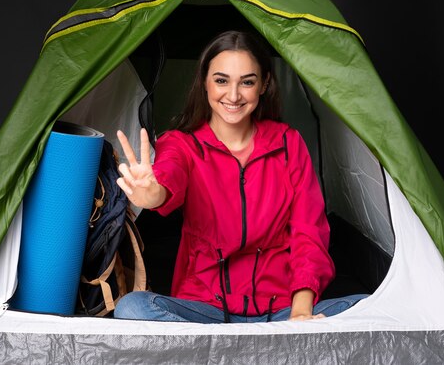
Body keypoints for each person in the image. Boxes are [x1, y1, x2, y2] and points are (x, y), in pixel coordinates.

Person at [113, 31, 365, 323]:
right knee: (132, 308)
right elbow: (169, 179)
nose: (233, 96)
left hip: (281, 311)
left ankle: (233, 351)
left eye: (247, 82)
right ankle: (248, 350)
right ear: (204, 82)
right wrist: (153, 194)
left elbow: (309, 232)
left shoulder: (288, 143)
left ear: (264, 84)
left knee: (374, 308)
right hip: (206, 313)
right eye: (221, 80)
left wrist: (300, 314)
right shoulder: (182, 144)